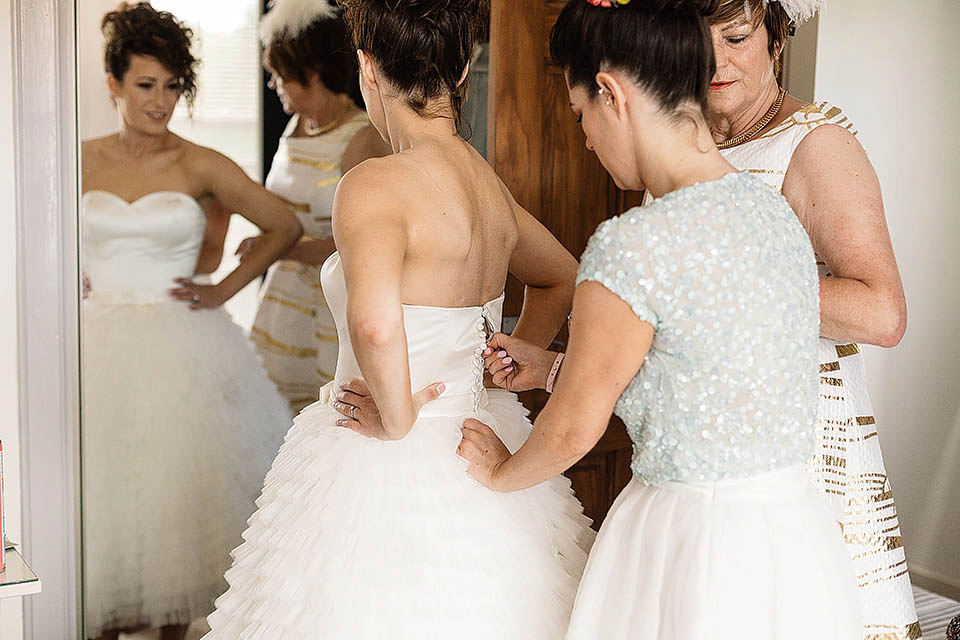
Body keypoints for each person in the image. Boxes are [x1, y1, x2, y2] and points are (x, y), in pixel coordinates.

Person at [455, 0, 861, 637]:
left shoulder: (633, 246)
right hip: (791, 537)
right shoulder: (768, 211)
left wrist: (501, 471)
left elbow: (571, 433)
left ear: (611, 94)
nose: (586, 138)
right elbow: (702, 389)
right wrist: (556, 367)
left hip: (688, 541)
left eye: (581, 114)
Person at [202, 1, 593, 638]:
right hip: (479, 435)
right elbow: (562, 276)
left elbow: (377, 325)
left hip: (384, 449)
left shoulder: (374, 183)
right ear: (463, 71)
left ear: (367, 68)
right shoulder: (485, 184)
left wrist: (398, 413)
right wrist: (513, 355)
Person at [80, 3, 301, 639]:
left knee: (177, 505)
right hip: (95, 346)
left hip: (182, 346)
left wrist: (220, 289)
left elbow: (282, 225)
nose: (161, 102)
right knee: (103, 506)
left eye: (173, 86)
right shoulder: (78, 158)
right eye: (146, 85)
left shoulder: (197, 162)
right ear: (114, 83)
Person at [704, 1, 917, 636]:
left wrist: (728, 283)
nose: (715, 60)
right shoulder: (684, 143)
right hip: (708, 441)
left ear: (777, 38)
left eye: (736, 36)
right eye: (694, 39)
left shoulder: (815, 144)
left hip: (798, 444)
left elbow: (883, 312)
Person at [240, 0, 392, 415]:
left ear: (310, 73)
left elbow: (360, 247)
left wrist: (281, 246)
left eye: (279, 76)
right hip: (283, 298)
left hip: (330, 303)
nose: (273, 85)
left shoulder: (362, 138)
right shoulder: (296, 125)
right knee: (272, 411)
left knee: (325, 412)